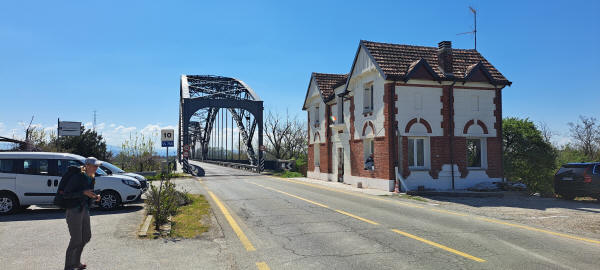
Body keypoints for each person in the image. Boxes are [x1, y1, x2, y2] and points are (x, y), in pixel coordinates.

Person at [62, 157, 102, 270]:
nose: (96, 168)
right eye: (95, 166)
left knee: (86, 237)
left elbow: (87, 195)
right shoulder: (77, 177)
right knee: (76, 240)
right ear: (87, 166)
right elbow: (66, 194)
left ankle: (76, 262)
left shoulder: (91, 178)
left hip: (84, 210)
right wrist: (83, 192)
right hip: (73, 210)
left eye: (97, 166)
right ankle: (68, 266)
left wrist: (95, 197)